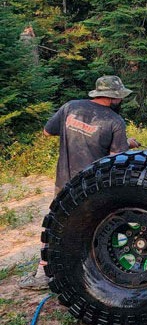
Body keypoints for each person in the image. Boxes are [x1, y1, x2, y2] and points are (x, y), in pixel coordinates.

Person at [19, 76, 140, 290]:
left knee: (56, 224)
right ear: (114, 97)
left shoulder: (70, 107)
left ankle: (42, 273)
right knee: (93, 226)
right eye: (120, 97)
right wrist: (128, 143)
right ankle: (93, 273)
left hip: (64, 181)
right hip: (92, 187)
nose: (121, 101)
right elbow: (116, 158)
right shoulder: (115, 121)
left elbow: (47, 131)